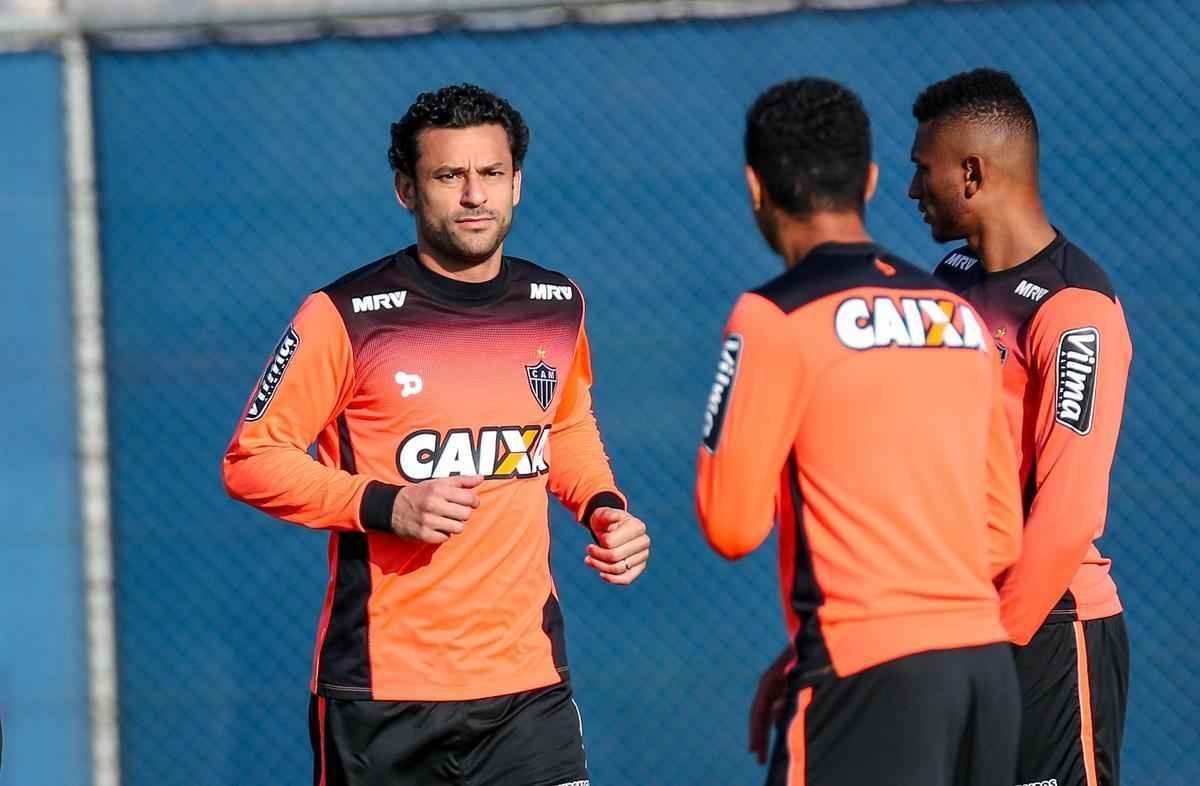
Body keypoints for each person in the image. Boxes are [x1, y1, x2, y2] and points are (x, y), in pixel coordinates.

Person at [223, 83, 650, 786]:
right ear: (406, 189)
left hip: (527, 691)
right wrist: (387, 504)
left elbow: (566, 426)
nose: (474, 195)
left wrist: (604, 506)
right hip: (386, 700)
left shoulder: (557, 304)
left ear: (517, 183)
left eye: (491, 173)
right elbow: (251, 460)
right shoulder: (345, 315)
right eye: (449, 176)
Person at [695, 77, 1024, 786]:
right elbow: (1002, 533)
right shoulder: (955, 315)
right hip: (985, 673)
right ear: (870, 180)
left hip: (862, 672)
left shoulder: (772, 316)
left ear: (757, 187)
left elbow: (731, 526)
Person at [910, 67, 1132, 786]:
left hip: (1043, 634)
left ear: (971, 173)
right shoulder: (946, 279)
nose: (913, 191)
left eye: (924, 171)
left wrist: (987, 652)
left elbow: (1068, 515)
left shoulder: (1074, 306)